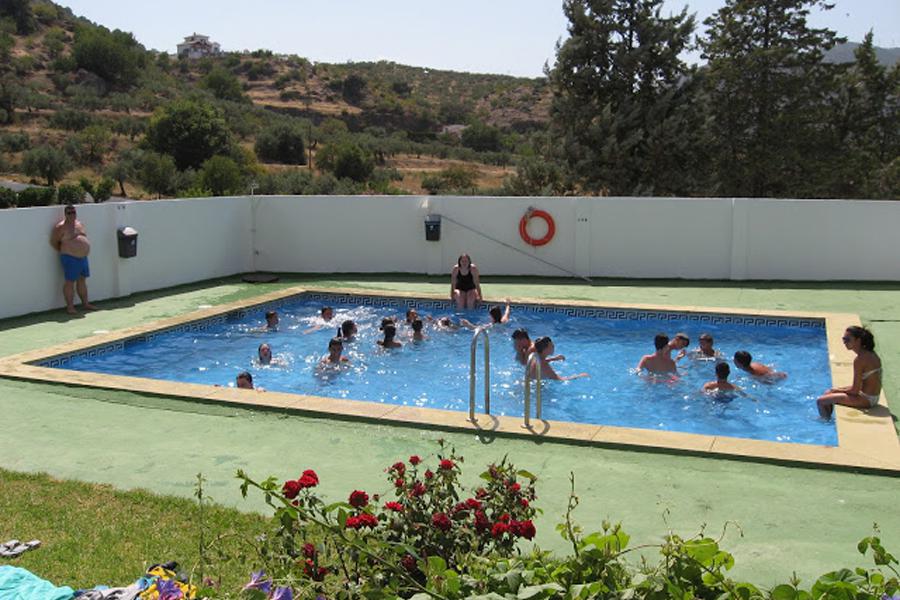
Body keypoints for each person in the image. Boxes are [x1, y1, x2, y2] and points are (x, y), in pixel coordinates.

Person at [816, 326, 882, 419]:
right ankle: (828, 417)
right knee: (828, 393)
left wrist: (836, 390)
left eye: (847, 339)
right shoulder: (870, 353)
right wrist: (835, 390)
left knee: (820, 401)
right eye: (843, 339)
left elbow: (855, 391)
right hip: (872, 397)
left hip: (866, 400)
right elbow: (860, 386)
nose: (844, 342)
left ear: (858, 340)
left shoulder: (860, 360)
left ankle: (825, 421)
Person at [49, 204, 97, 314]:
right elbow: (53, 242)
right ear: (65, 214)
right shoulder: (60, 227)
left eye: (74, 212)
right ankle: (70, 307)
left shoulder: (79, 224)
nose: (72, 215)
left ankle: (85, 303)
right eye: (69, 213)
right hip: (70, 257)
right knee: (70, 281)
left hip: (83, 257)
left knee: (82, 280)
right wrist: (66, 250)